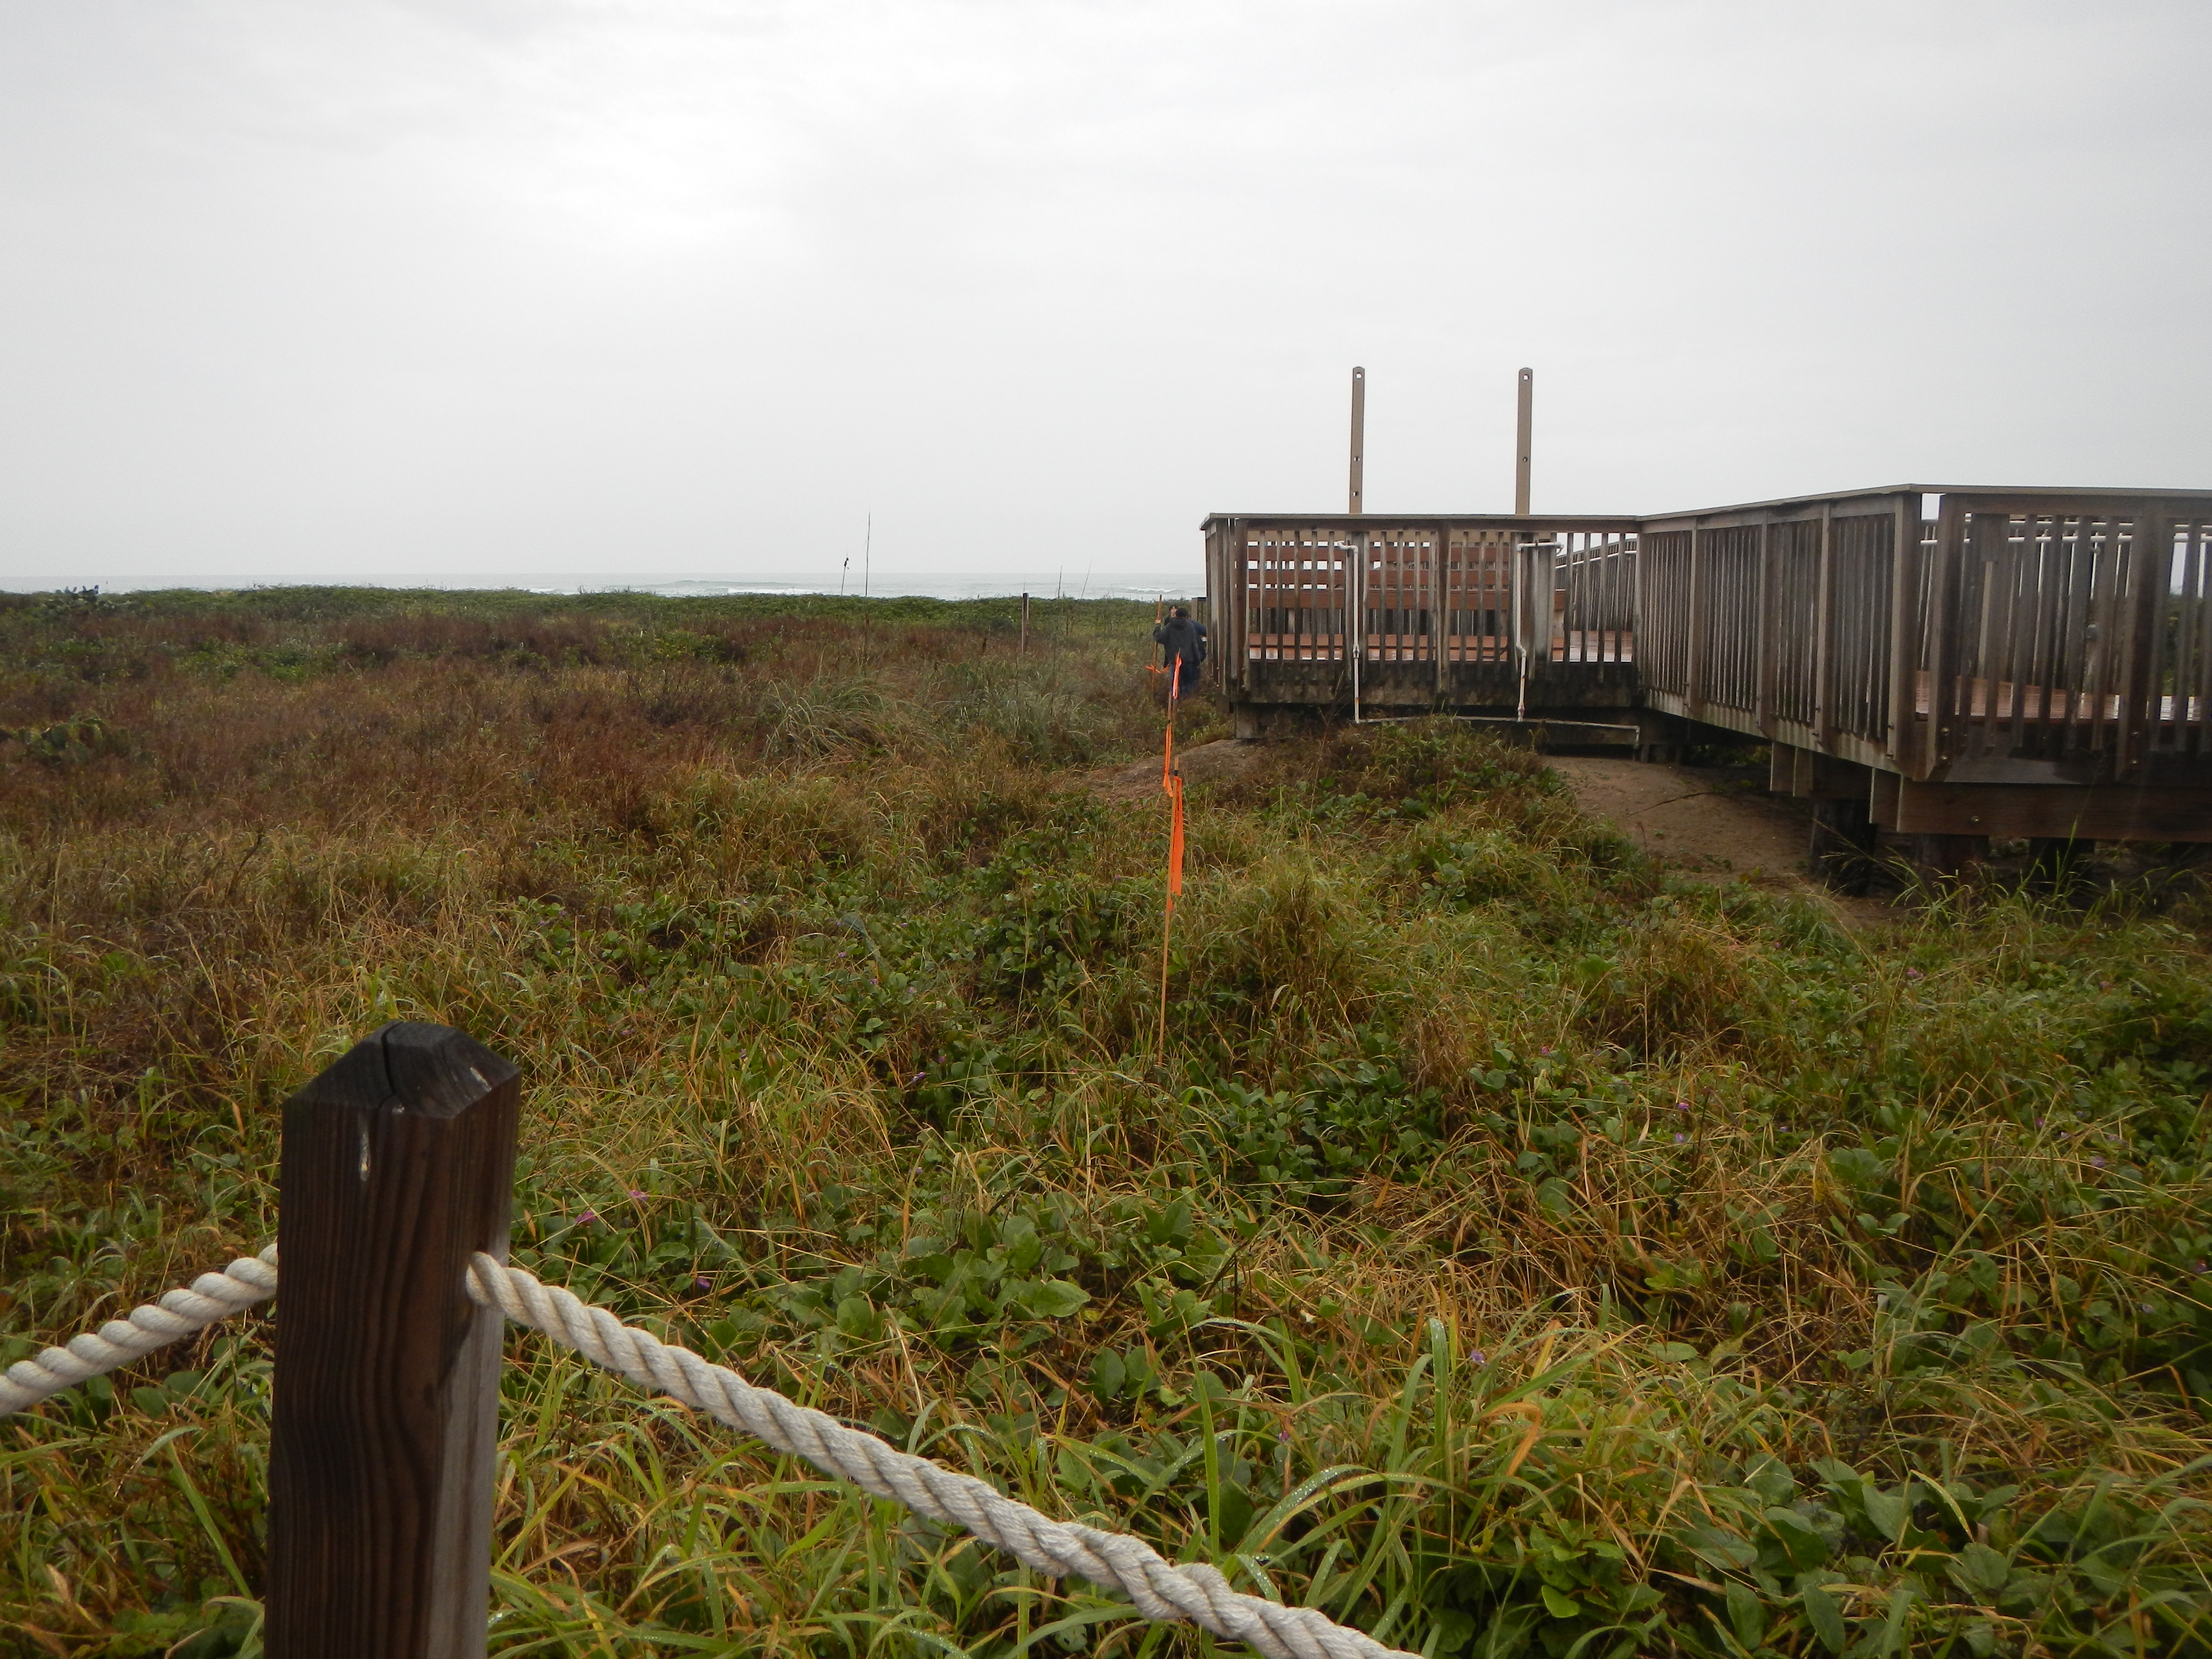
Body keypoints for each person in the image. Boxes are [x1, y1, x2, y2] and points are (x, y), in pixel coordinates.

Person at [1151, 606, 1207, 700]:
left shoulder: (1170, 626)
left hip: (1174, 661)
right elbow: (1194, 645)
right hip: (1188, 661)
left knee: (1175, 686)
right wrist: (1197, 662)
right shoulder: (1190, 627)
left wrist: (1158, 627)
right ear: (1186, 616)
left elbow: (1160, 638)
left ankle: (1174, 706)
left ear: (1176, 615)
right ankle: (1187, 704)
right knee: (1188, 685)